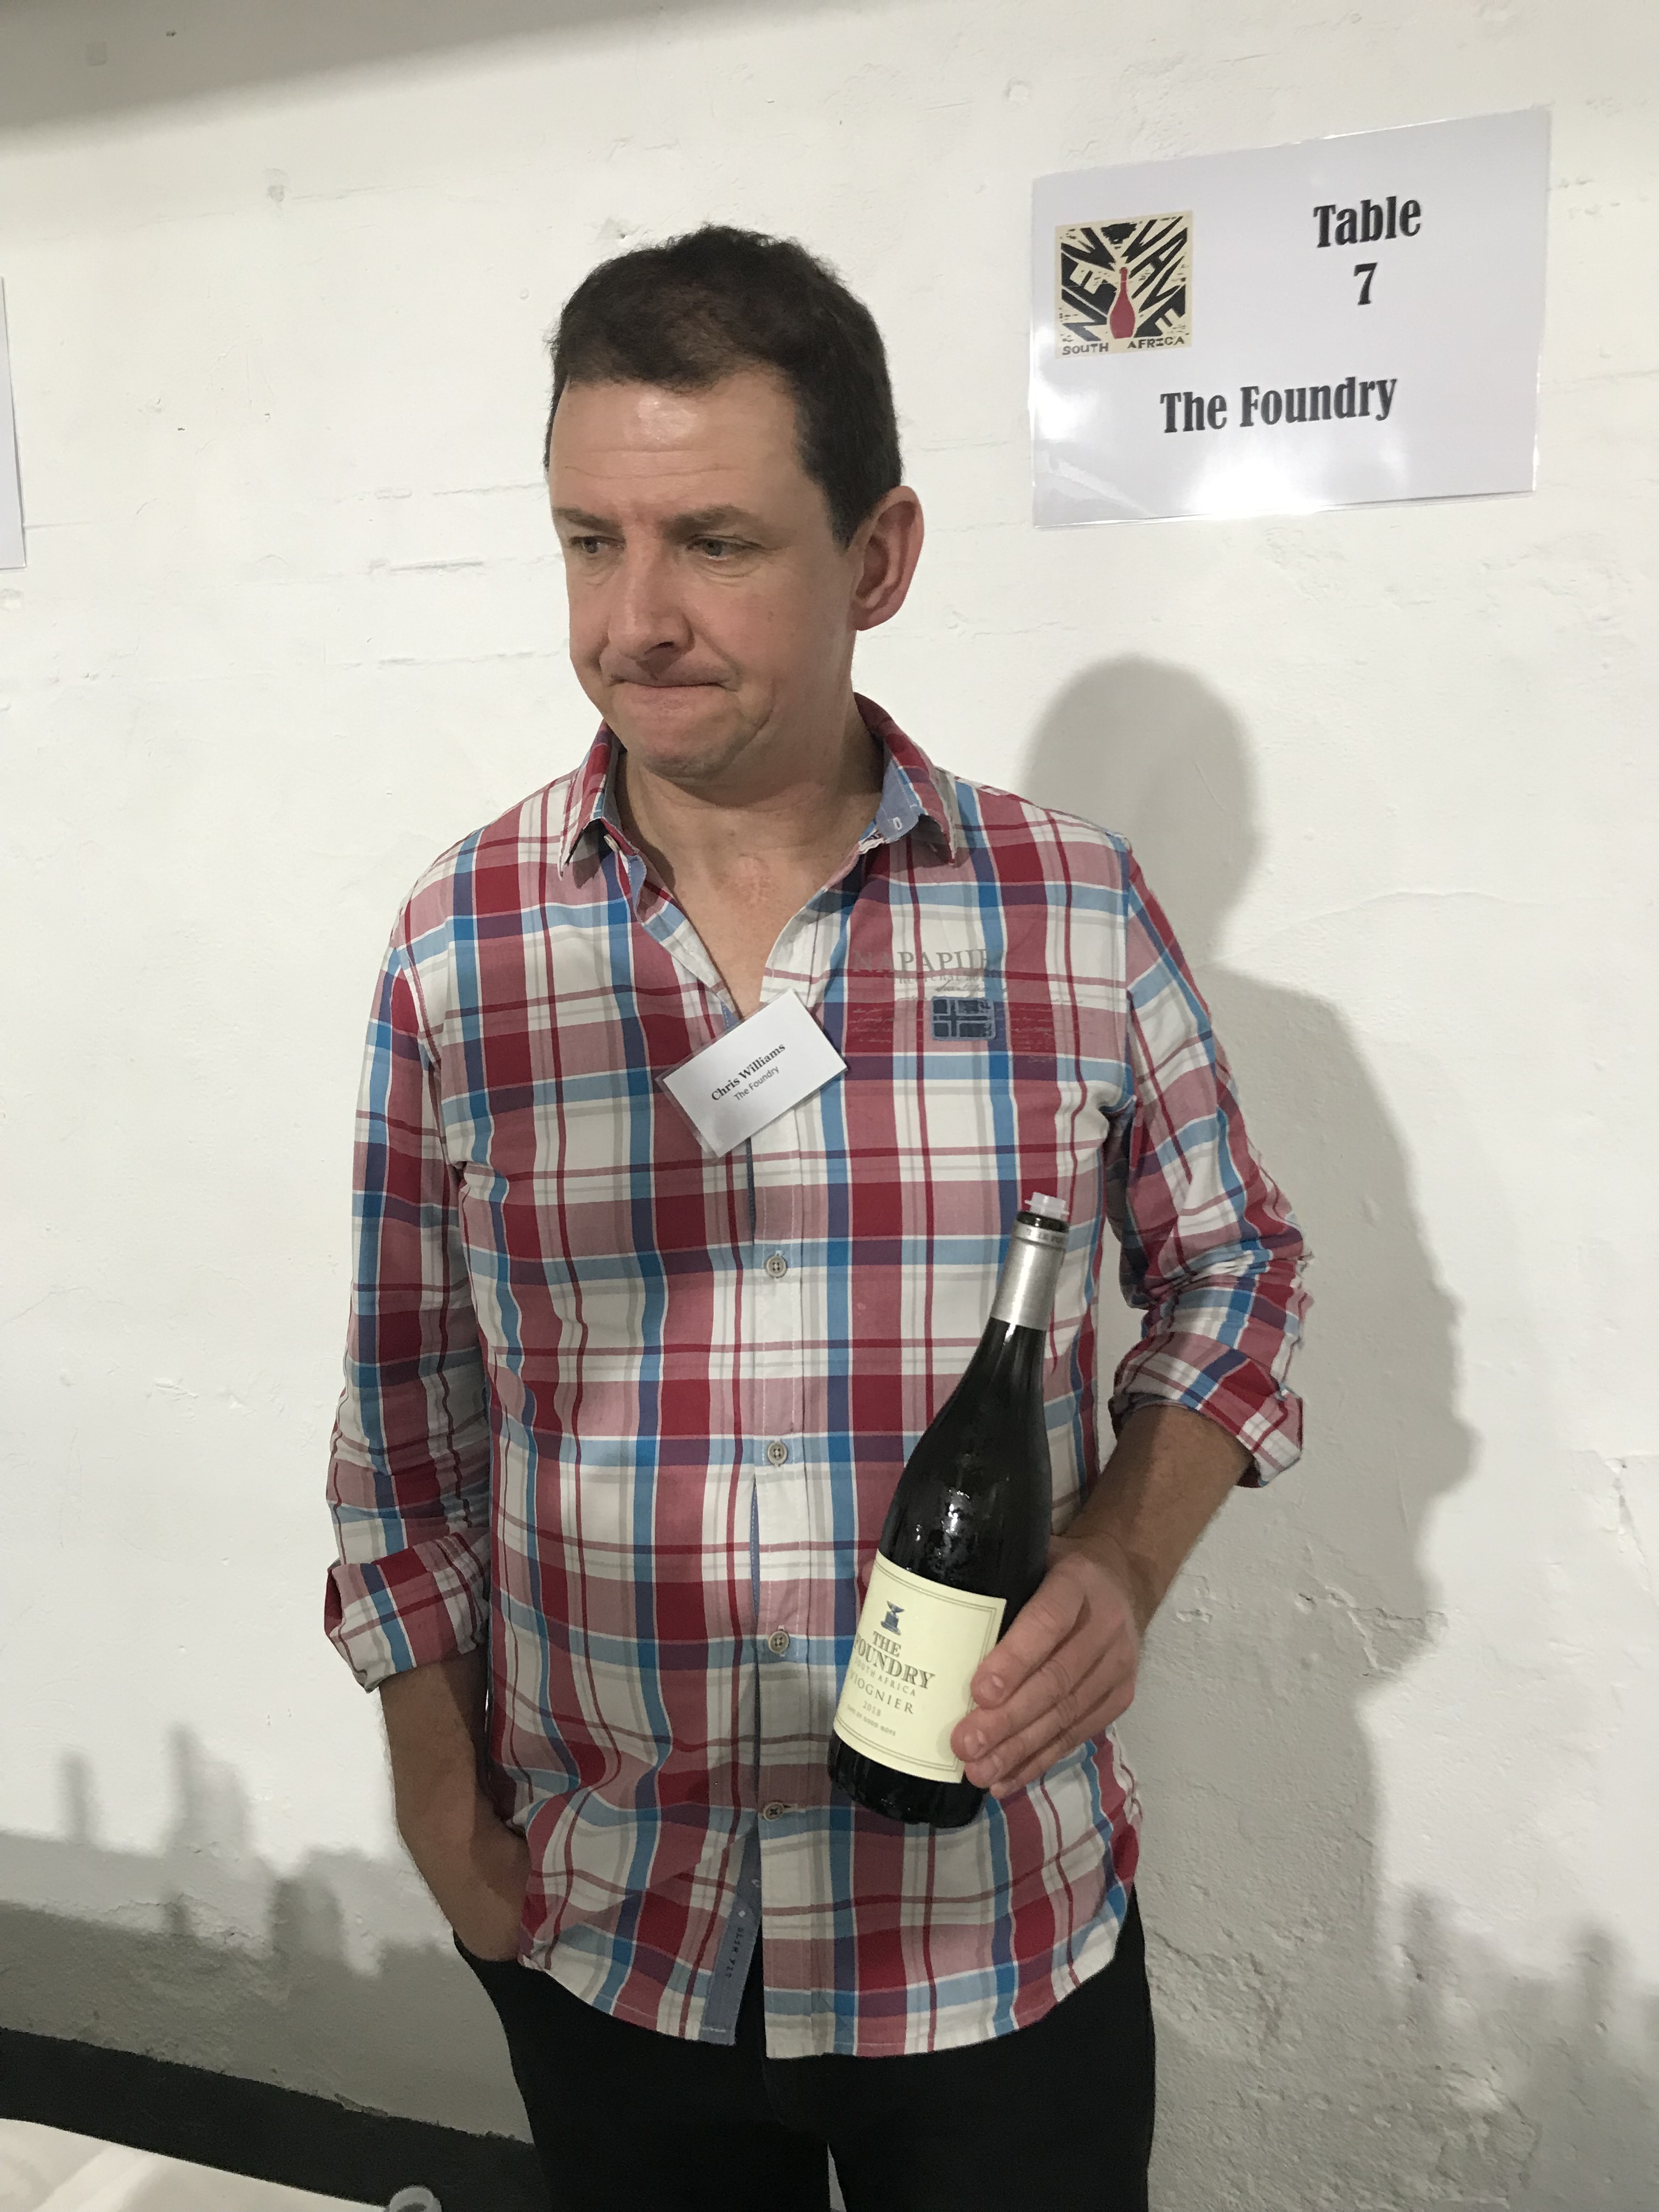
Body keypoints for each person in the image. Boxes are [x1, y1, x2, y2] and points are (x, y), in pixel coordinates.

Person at [324, 225, 1309, 2212]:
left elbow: (1237, 1274)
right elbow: (406, 1405)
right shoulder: (464, 945)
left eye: (715, 541)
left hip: (990, 1931)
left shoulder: (1071, 912)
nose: (636, 620)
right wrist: (436, 1791)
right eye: (589, 542)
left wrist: (1123, 1560)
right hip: (612, 1924)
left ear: (878, 557)